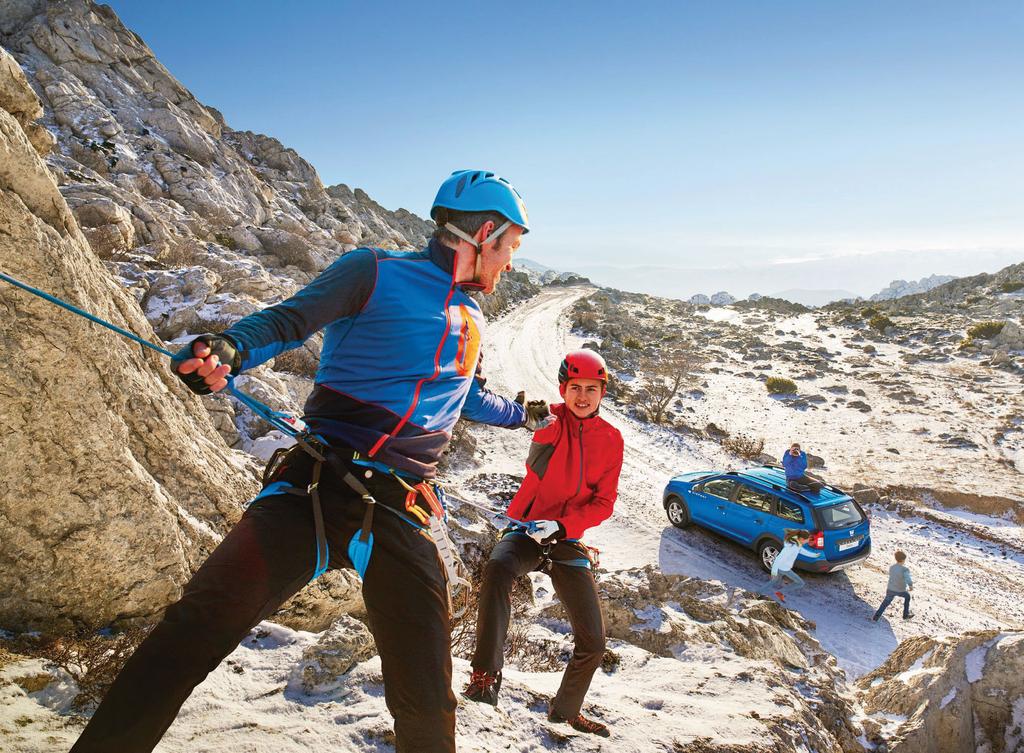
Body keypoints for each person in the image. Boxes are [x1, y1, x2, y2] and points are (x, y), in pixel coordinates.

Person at [71, 170, 554, 753]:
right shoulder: (375, 271)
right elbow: (288, 320)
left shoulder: (472, 318)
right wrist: (229, 349)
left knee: (427, 695)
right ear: (483, 233)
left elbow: (468, 394)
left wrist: (519, 416)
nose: (510, 265)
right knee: (191, 632)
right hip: (316, 485)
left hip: (402, 505)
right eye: (510, 248)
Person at [462, 350, 624, 738]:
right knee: (499, 568)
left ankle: (565, 711)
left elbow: (604, 503)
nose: (582, 397)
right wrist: (524, 416)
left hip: (565, 538)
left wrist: (563, 526)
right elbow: (533, 422)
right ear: (563, 390)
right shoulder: (550, 420)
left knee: (594, 639)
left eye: (591, 389)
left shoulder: (611, 440)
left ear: (602, 392)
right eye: (574, 389)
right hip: (526, 530)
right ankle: (486, 676)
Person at [762, 530, 821, 603]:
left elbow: (802, 551)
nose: (807, 542)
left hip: (783, 568)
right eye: (806, 540)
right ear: (802, 539)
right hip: (784, 568)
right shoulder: (791, 547)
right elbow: (779, 558)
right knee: (800, 583)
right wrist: (773, 571)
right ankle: (780, 592)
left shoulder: (797, 544)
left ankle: (759, 593)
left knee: (774, 581)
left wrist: (814, 555)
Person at [872, 550, 914, 621]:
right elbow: (908, 579)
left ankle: (876, 617)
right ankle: (905, 615)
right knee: (907, 596)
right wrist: (910, 586)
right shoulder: (905, 569)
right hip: (899, 590)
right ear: (903, 560)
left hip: (890, 589)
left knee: (885, 604)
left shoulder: (892, 567)